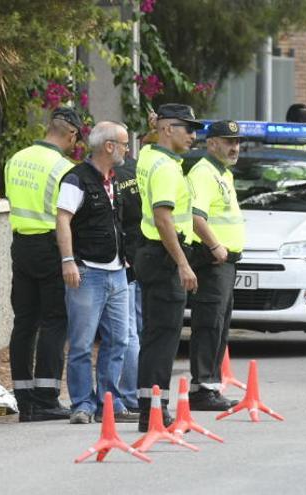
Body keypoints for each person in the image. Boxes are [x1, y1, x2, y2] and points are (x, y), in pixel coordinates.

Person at [56, 121, 138, 424]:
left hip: (117, 271)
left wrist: (125, 258)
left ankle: (108, 400)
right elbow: (63, 219)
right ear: (109, 146)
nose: (127, 150)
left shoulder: (113, 178)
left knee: (119, 340)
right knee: (81, 343)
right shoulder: (76, 178)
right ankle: (82, 404)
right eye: (124, 144)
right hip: (88, 271)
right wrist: (68, 260)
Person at [5, 107, 82, 421]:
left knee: (24, 322)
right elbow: (66, 216)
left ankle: (24, 399)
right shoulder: (64, 168)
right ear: (72, 134)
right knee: (54, 320)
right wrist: (69, 257)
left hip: (21, 245)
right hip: (51, 247)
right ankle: (47, 398)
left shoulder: (15, 159)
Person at [133, 103, 203, 432]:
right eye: (186, 128)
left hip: (151, 255)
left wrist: (153, 127)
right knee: (163, 340)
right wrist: (183, 264)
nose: (192, 135)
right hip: (164, 257)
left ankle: (151, 407)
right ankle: (154, 413)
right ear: (166, 130)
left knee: (155, 338)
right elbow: (164, 219)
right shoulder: (165, 168)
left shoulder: (150, 155)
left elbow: (149, 142)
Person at [186, 120, 246, 410]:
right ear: (211, 144)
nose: (234, 147)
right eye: (227, 141)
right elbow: (196, 217)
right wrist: (215, 245)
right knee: (209, 324)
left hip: (225, 261)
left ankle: (209, 386)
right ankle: (201, 390)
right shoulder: (203, 173)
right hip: (212, 260)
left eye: (236, 142)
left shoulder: (223, 173)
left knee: (219, 325)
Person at [116, 151, 143, 414]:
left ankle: (130, 394)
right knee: (140, 327)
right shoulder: (139, 169)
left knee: (127, 331)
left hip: (123, 257)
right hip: (143, 251)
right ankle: (139, 390)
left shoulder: (112, 176)